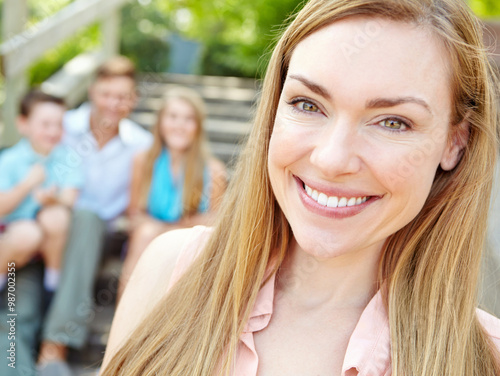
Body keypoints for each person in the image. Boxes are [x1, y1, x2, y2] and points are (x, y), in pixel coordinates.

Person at [101, 0, 500, 375]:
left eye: (393, 121)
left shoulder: (485, 359)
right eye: (308, 104)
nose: (331, 159)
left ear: (455, 141)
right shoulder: (169, 272)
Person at [31, 56, 152, 376]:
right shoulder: (63, 127)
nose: (114, 104)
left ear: (134, 100)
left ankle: (55, 344)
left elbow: (138, 203)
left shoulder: (141, 144)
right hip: (54, 227)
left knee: (87, 219)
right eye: (107, 94)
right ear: (92, 91)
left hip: (105, 234)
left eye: (123, 96)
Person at [0, 90, 83, 375]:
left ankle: (53, 280)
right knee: (26, 232)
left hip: (46, 243)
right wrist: (27, 185)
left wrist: (53, 199)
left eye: (58, 125)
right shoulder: (10, 159)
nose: (53, 131)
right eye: (45, 124)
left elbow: (70, 198)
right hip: (13, 239)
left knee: (56, 216)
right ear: (23, 124)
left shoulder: (66, 157)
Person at [117, 87, 227, 299]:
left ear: (197, 127)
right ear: (160, 123)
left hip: (189, 244)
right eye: (173, 117)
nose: (179, 125)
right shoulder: (143, 161)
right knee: (144, 234)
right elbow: (135, 214)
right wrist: (162, 230)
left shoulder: (213, 170)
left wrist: (168, 229)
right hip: (148, 242)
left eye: (188, 119)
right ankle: (124, 319)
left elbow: (214, 222)